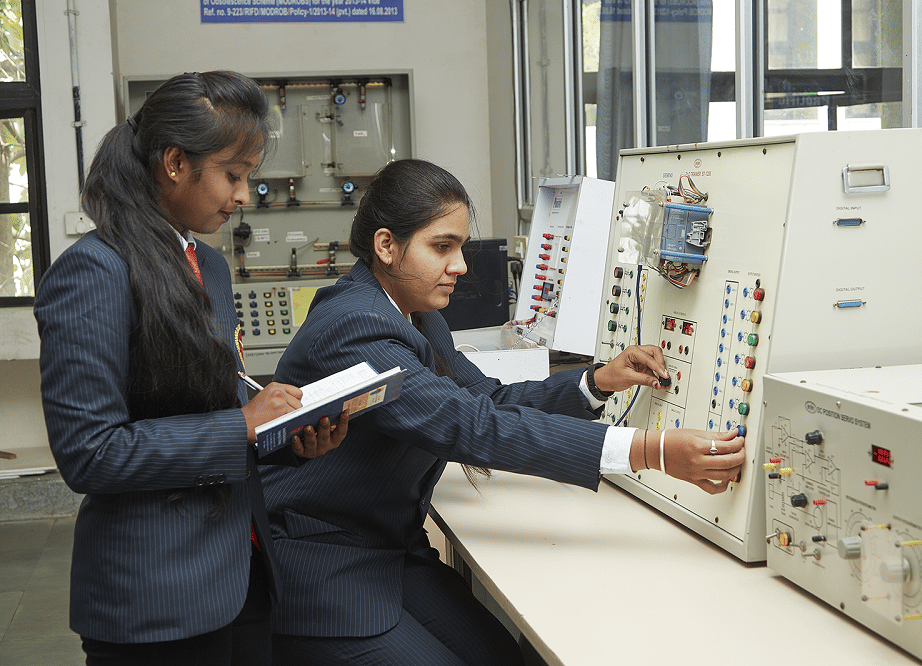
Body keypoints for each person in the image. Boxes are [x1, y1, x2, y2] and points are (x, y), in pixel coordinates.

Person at [261, 158, 746, 666]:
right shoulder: (356, 323)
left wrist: (596, 381)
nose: (461, 266)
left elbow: (486, 401)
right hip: (322, 564)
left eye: (461, 248)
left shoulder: (415, 315)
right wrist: (653, 451)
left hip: (388, 549)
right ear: (386, 246)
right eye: (441, 247)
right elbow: (469, 426)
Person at [33, 71, 348, 666]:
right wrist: (242, 426)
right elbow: (89, 453)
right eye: (233, 175)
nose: (244, 195)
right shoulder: (95, 271)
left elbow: (217, 408)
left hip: (240, 571)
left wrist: (286, 437)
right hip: (157, 598)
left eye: (250, 176)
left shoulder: (205, 262)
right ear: (175, 162)